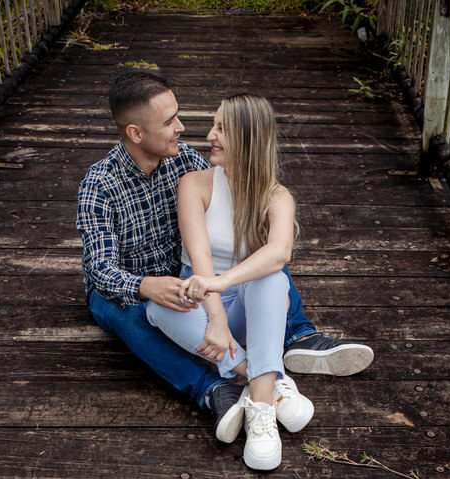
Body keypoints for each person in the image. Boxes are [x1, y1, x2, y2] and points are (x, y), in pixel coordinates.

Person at [76, 72, 373, 443]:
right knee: (125, 311)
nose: (182, 127)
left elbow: (225, 211)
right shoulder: (100, 185)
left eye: (177, 116)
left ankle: (299, 334)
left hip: (193, 277)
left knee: (261, 259)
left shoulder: (183, 159)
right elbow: (100, 270)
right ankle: (221, 386)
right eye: (169, 122)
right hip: (135, 288)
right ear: (135, 133)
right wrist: (146, 286)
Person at [145, 94, 307, 470]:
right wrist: (216, 316)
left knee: (271, 280)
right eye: (213, 125)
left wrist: (223, 282)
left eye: (222, 129)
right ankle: (267, 378)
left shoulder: (277, 196)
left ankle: (260, 413)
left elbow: (279, 252)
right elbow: (199, 257)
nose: (210, 136)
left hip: (249, 305)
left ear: (248, 138)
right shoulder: (195, 184)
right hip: (203, 307)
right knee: (157, 307)